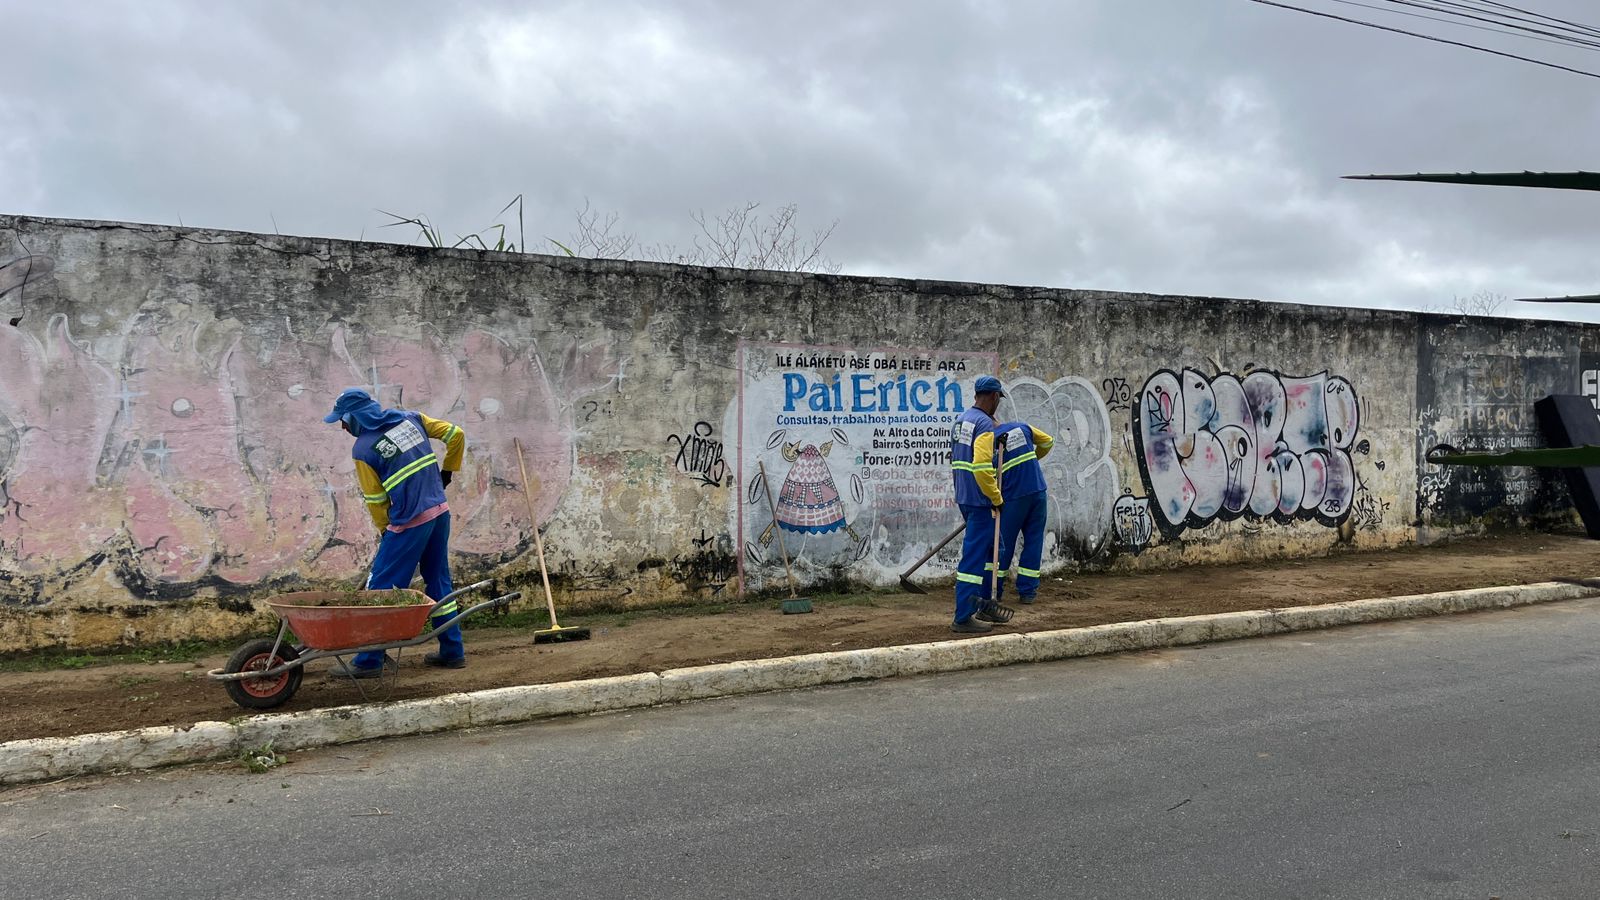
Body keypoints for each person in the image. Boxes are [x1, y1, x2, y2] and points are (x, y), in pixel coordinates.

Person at [323, 387, 468, 675]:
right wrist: (447, 472)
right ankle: (452, 651)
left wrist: (385, 531)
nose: (342, 427)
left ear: (356, 417)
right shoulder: (411, 418)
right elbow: (456, 434)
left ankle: (368, 661)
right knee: (438, 582)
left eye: (343, 420)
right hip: (439, 512)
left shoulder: (363, 449)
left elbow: (376, 500)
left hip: (409, 522)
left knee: (380, 590)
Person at [948, 375, 1012, 633]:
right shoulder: (984, 424)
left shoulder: (962, 420)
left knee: (994, 550)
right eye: (998, 399)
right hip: (981, 498)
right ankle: (963, 617)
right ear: (994, 397)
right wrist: (996, 497)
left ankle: (985, 604)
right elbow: (982, 467)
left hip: (965, 495)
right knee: (974, 558)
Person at [991, 420, 1054, 605]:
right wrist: (1033, 459)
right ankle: (1028, 592)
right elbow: (1048, 442)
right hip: (1037, 491)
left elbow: (985, 472)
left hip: (1014, 496)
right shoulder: (1023, 427)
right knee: (1034, 541)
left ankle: (996, 590)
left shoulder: (990, 439)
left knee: (1004, 544)